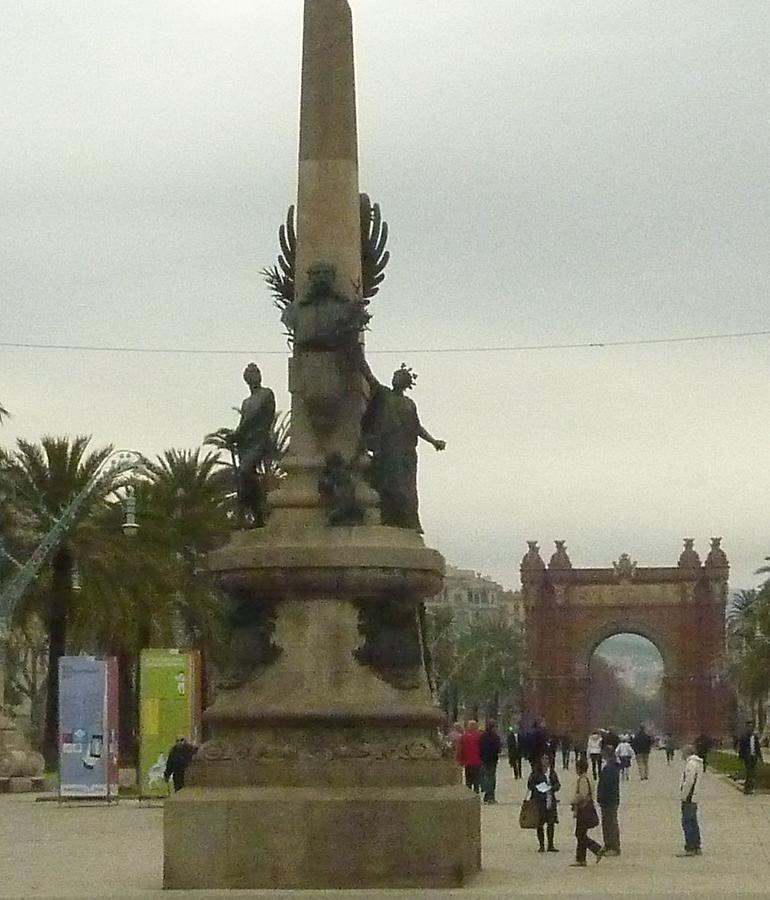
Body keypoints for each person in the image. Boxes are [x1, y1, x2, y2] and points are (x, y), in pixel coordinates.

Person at [359, 354, 445, 532]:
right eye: (394, 376)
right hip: (387, 449)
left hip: (406, 451)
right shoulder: (383, 394)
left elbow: (417, 427)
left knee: (407, 487)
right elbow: (368, 374)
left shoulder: (409, 404)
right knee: (388, 484)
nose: (394, 379)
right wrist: (358, 353)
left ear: (405, 383)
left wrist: (433, 441)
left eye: (398, 377)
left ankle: (407, 520)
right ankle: (390, 518)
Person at [226, 363, 276, 528]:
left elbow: (253, 418)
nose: (255, 376)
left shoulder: (266, 394)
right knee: (246, 478)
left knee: (245, 472)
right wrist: (235, 437)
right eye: (251, 374)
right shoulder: (246, 402)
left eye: (257, 372)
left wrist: (237, 433)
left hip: (259, 441)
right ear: (246, 379)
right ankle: (258, 516)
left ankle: (245, 513)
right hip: (246, 445)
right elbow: (243, 421)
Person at [570, 757, 605, 867]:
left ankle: (596, 849)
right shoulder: (589, 778)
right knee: (581, 833)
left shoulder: (583, 779)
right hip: (587, 807)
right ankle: (581, 858)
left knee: (579, 833)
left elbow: (583, 795)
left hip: (583, 809)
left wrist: (573, 801)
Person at [527, 754, 561, 852]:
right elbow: (530, 785)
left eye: (547, 758)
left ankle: (550, 844)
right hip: (539, 800)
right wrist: (538, 788)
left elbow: (557, 784)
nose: (545, 761)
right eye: (543, 758)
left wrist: (553, 788)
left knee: (551, 823)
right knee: (540, 823)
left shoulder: (552, 772)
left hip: (550, 799)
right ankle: (541, 845)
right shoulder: (535, 773)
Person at [678, 745, 704, 857]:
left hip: (690, 797)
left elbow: (689, 782)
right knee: (693, 821)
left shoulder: (691, 764)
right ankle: (697, 846)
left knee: (687, 822)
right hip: (694, 796)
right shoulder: (697, 763)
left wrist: (683, 795)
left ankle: (690, 847)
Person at [597, 745, 621, 856]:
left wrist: (601, 797)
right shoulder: (613, 767)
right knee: (610, 823)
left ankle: (613, 846)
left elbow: (606, 785)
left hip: (608, 800)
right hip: (611, 799)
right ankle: (611, 845)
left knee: (609, 824)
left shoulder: (609, 768)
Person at [479, 720, 502, 803]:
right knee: (491, 778)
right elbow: (498, 749)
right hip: (492, 760)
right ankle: (490, 796)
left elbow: (480, 748)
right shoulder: (495, 737)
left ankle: (487, 795)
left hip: (484, 759)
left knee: (486, 777)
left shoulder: (482, 736)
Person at [737, 720, 762, 794]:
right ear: (746, 727)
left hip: (754, 757)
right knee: (749, 772)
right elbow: (742, 748)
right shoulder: (744, 737)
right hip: (747, 757)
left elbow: (757, 747)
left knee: (752, 772)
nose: (749, 728)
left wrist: (760, 757)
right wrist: (741, 757)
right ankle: (748, 788)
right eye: (748, 726)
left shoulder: (755, 737)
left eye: (751, 726)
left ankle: (749, 787)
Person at [457, 719, 482, 793]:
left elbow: (460, 749)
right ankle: (476, 792)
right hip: (477, 761)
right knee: (476, 779)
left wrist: (460, 760)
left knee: (468, 779)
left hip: (467, 762)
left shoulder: (464, 736)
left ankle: (469, 792)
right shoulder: (479, 736)